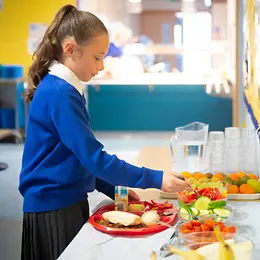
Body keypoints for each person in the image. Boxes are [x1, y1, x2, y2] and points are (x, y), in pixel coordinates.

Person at [18, 5, 191, 260]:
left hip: (61, 201)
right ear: (70, 49)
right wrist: (156, 178)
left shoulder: (63, 88)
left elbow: (76, 155)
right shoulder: (60, 93)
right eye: (97, 57)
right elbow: (94, 159)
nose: (100, 67)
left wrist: (114, 189)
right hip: (54, 207)